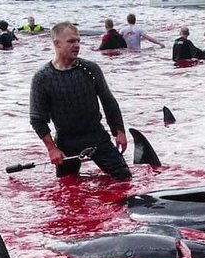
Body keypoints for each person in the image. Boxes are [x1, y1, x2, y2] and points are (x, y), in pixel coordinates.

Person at [29, 22, 130, 180]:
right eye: (71, 41)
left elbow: (108, 102)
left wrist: (119, 131)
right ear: (57, 44)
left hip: (97, 136)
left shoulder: (90, 69)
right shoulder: (42, 78)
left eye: (78, 41)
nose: (76, 45)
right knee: (66, 188)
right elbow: (37, 119)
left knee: (124, 179)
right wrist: (52, 149)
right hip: (66, 141)